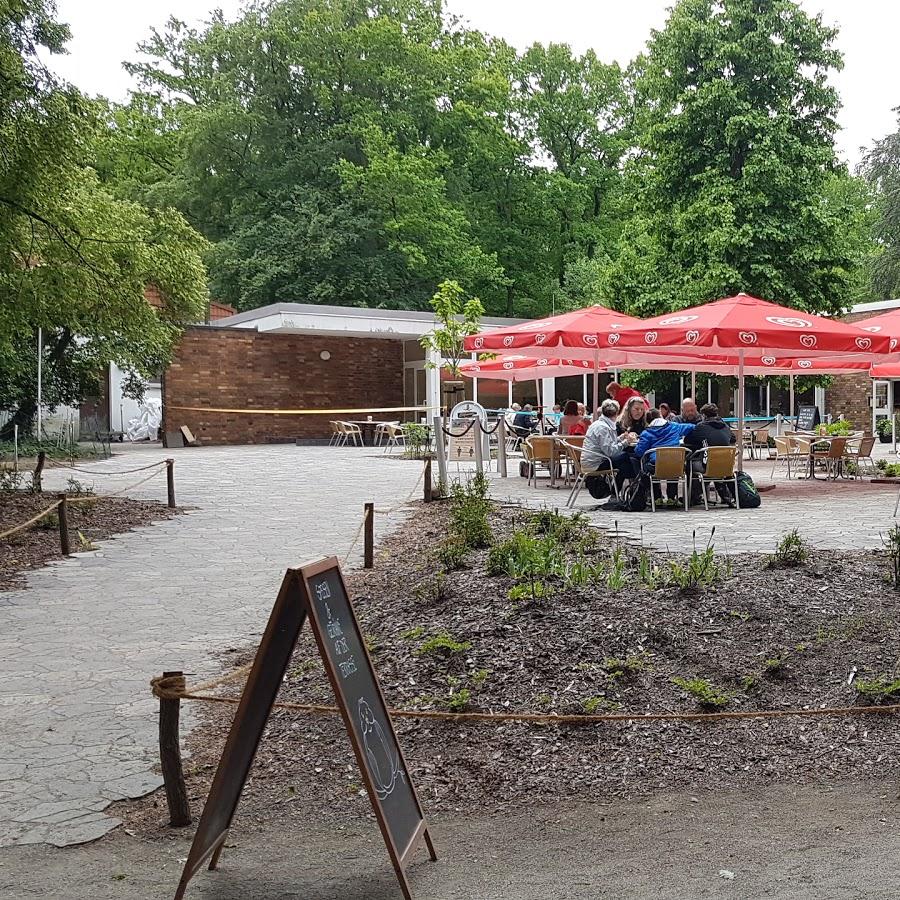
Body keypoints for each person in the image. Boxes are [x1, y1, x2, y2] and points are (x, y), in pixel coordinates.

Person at [634, 416, 697, 502]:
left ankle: (656, 497)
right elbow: (692, 427)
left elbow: (639, 452)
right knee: (673, 469)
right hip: (675, 465)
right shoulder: (675, 427)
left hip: (656, 465)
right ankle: (671, 498)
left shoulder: (646, 433)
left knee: (647, 469)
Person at [684, 403, 737, 505]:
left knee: (689, 464)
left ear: (704, 415)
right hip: (726, 465)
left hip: (708, 465)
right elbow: (733, 438)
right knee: (714, 465)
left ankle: (693, 496)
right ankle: (724, 495)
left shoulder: (701, 427)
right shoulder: (725, 426)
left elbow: (687, 439)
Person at [580, 399, 635, 491]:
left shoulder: (598, 424)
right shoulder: (604, 428)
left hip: (589, 461)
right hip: (596, 464)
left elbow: (607, 444)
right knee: (627, 458)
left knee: (625, 464)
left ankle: (616, 492)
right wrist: (626, 442)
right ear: (617, 413)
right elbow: (610, 451)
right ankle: (628, 488)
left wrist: (621, 438)